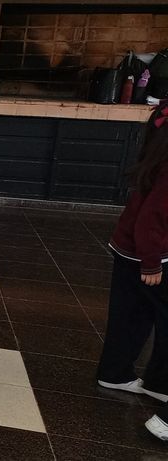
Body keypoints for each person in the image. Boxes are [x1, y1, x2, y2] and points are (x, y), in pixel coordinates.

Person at [94, 101, 168, 440]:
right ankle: (159, 383)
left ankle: (116, 373)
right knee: (156, 318)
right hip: (151, 256)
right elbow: (152, 219)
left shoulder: (155, 154)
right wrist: (151, 260)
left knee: (130, 315)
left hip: (129, 249)